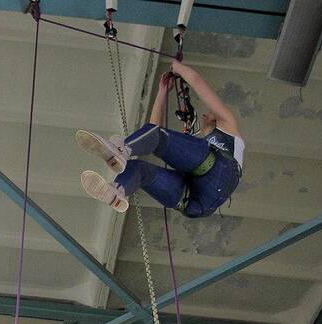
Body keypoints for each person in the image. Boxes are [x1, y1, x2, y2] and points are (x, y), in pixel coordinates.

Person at [77, 59, 244, 218]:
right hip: (195, 204)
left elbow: (196, 80)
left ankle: (121, 150)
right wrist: (162, 92)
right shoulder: (208, 144)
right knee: (139, 170)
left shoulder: (227, 122)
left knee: (157, 138)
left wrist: (176, 66)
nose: (205, 113)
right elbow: (154, 135)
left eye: (208, 113)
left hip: (219, 174)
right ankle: (116, 191)